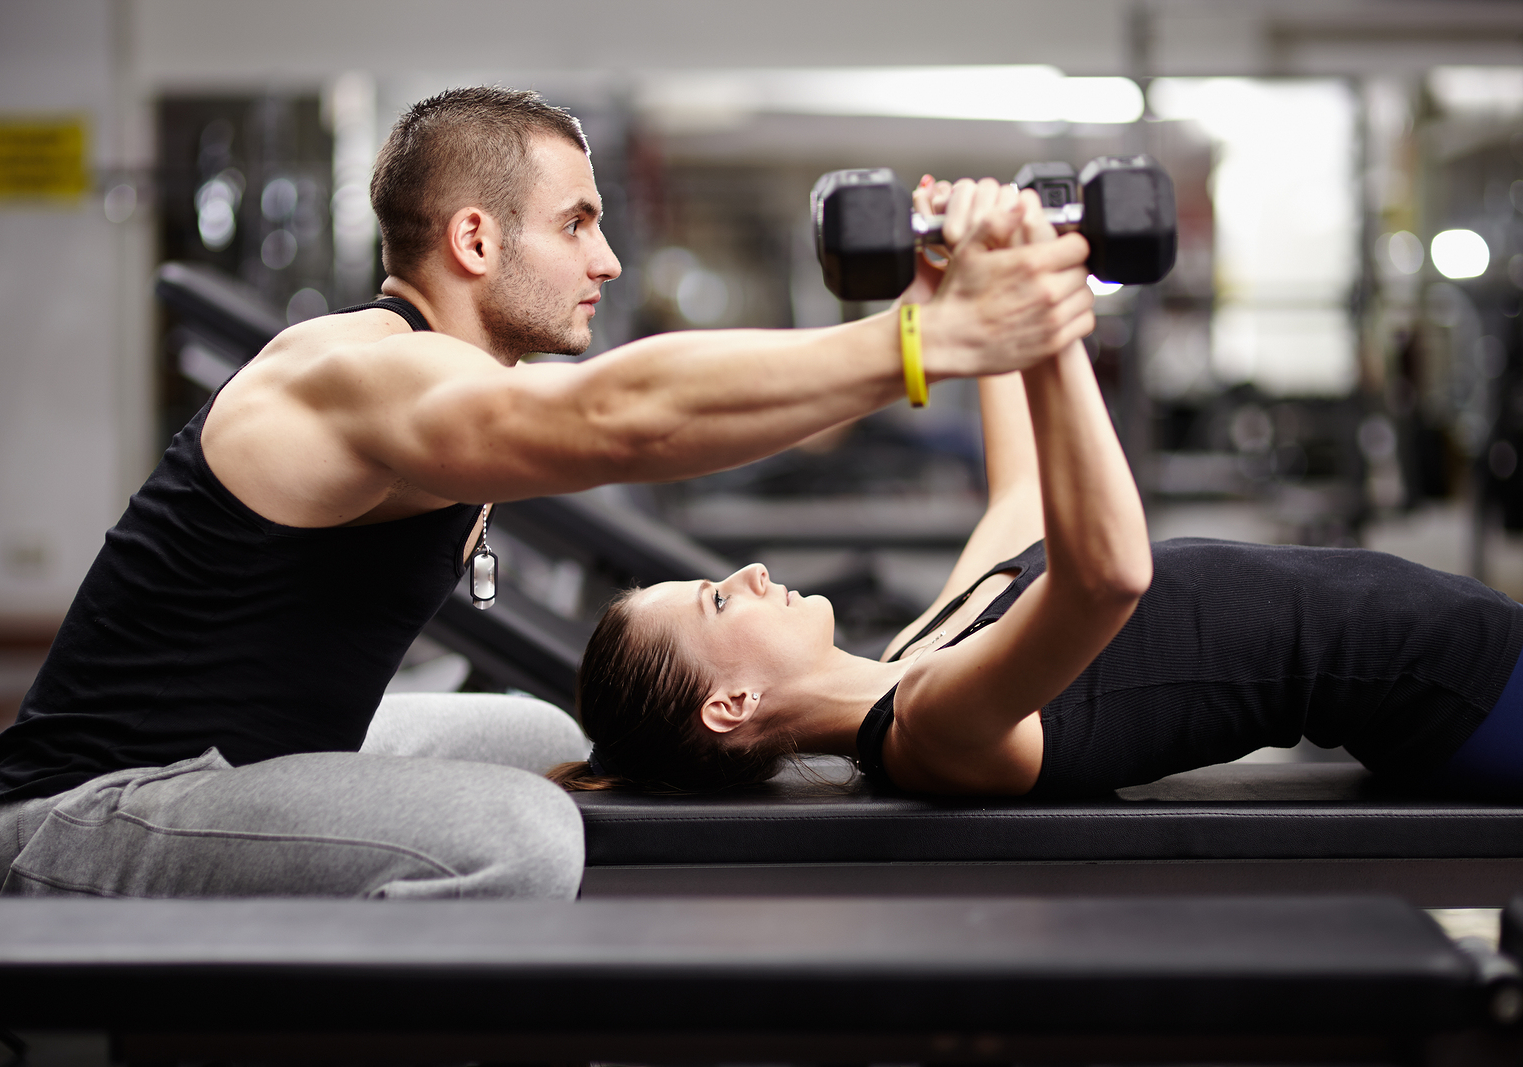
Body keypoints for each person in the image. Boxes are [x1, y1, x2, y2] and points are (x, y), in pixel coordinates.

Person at [0, 86, 1096, 899]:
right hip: (83, 811)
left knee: (537, 730)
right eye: (576, 224)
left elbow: (713, 411)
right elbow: (619, 416)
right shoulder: (354, 371)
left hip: (238, 761)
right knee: (525, 835)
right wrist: (923, 338)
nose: (604, 261)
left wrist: (946, 316)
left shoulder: (443, 374)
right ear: (472, 237)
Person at [557, 179, 1523, 801]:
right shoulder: (929, 727)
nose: (752, 570)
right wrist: (1042, 308)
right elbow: (1106, 576)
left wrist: (953, 298)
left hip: (1452, 643)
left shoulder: (915, 654)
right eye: (717, 598)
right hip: (1455, 690)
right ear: (728, 705)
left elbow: (1019, 498)